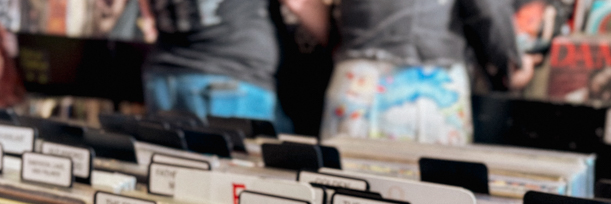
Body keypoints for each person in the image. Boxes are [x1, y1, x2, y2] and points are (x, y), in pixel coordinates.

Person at [320, 0, 535, 145]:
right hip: (426, 90)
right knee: (424, 202)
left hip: (354, 82)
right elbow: (489, 8)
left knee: (342, 194)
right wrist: (510, 64)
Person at [140, 0, 328, 123]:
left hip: (163, 75)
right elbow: (301, 3)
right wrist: (336, 43)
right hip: (232, 74)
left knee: (171, 172)